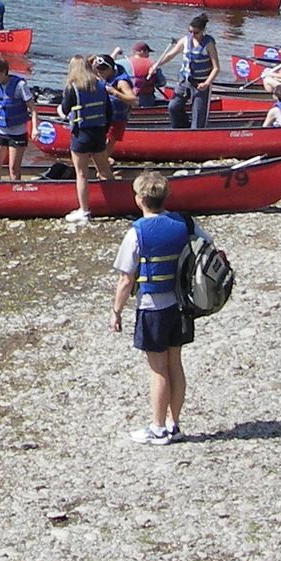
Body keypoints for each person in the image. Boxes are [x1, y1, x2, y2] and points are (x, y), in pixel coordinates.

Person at [110, 171, 203, 444]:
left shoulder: (137, 232)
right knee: (176, 363)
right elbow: (207, 246)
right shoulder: (185, 222)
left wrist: (116, 311)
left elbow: (126, 279)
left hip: (152, 307)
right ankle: (174, 424)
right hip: (181, 305)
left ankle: (158, 428)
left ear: (139, 200)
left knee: (158, 369)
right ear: (165, 197)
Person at [58, 56, 115, 224]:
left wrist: (60, 112)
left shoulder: (72, 88)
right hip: (98, 134)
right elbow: (109, 113)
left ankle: (84, 211)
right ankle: (115, 203)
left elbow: (64, 110)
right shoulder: (101, 85)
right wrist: (104, 132)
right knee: (104, 171)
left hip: (81, 136)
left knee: (81, 174)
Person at [152, 13, 219, 130]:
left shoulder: (209, 43)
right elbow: (170, 55)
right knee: (173, 107)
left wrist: (207, 83)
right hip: (184, 80)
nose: (192, 35)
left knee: (198, 114)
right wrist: (156, 65)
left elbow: (216, 68)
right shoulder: (185, 40)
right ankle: (181, 128)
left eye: (196, 33)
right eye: (190, 32)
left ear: (203, 31)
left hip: (201, 83)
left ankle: (196, 133)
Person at [123, 41, 167, 106]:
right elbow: (162, 82)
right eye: (147, 52)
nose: (148, 55)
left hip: (127, 98)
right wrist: (153, 83)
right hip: (146, 100)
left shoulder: (124, 63)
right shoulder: (153, 65)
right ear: (141, 52)